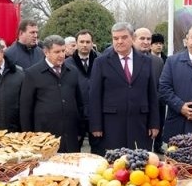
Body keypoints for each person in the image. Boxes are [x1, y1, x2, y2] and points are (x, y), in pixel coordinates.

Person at [89, 22, 160, 152]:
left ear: (132, 38)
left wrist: (154, 123)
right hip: (112, 124)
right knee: (115, 166)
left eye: (124, 37)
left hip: (140, 124)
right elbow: (95, 95)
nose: (119, 41)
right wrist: (95, 125)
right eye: (115, 38)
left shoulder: (147, 62)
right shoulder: (101, 62)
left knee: (138, 166)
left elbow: (152, 94)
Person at [20, 35, 84, 152]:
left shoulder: (73, 72)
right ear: (46, 52)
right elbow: (25, 109)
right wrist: (29, 137)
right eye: (57, 52)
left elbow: (79, 103)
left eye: (63, 51)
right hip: (45, 138)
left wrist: (80, 131)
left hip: (70, 136)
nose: (61, 55)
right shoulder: (32, 74)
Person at [64, 29, 102, 154]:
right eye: (82, 42)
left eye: (88, 42)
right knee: (74, 151)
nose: (85, 45)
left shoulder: (101, 61)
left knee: (98, 150)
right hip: (76, 114)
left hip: (96, 113)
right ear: (76, 43)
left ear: (92, 43)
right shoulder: (67, 64)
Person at [133, 27, 165, 152]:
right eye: (142, 38)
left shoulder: (157, 62)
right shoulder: (123, 60)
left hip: (149, 115)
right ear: (133, 40)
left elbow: (159, 92)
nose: (146, 42)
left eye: (148, 39)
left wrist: (156, 123)